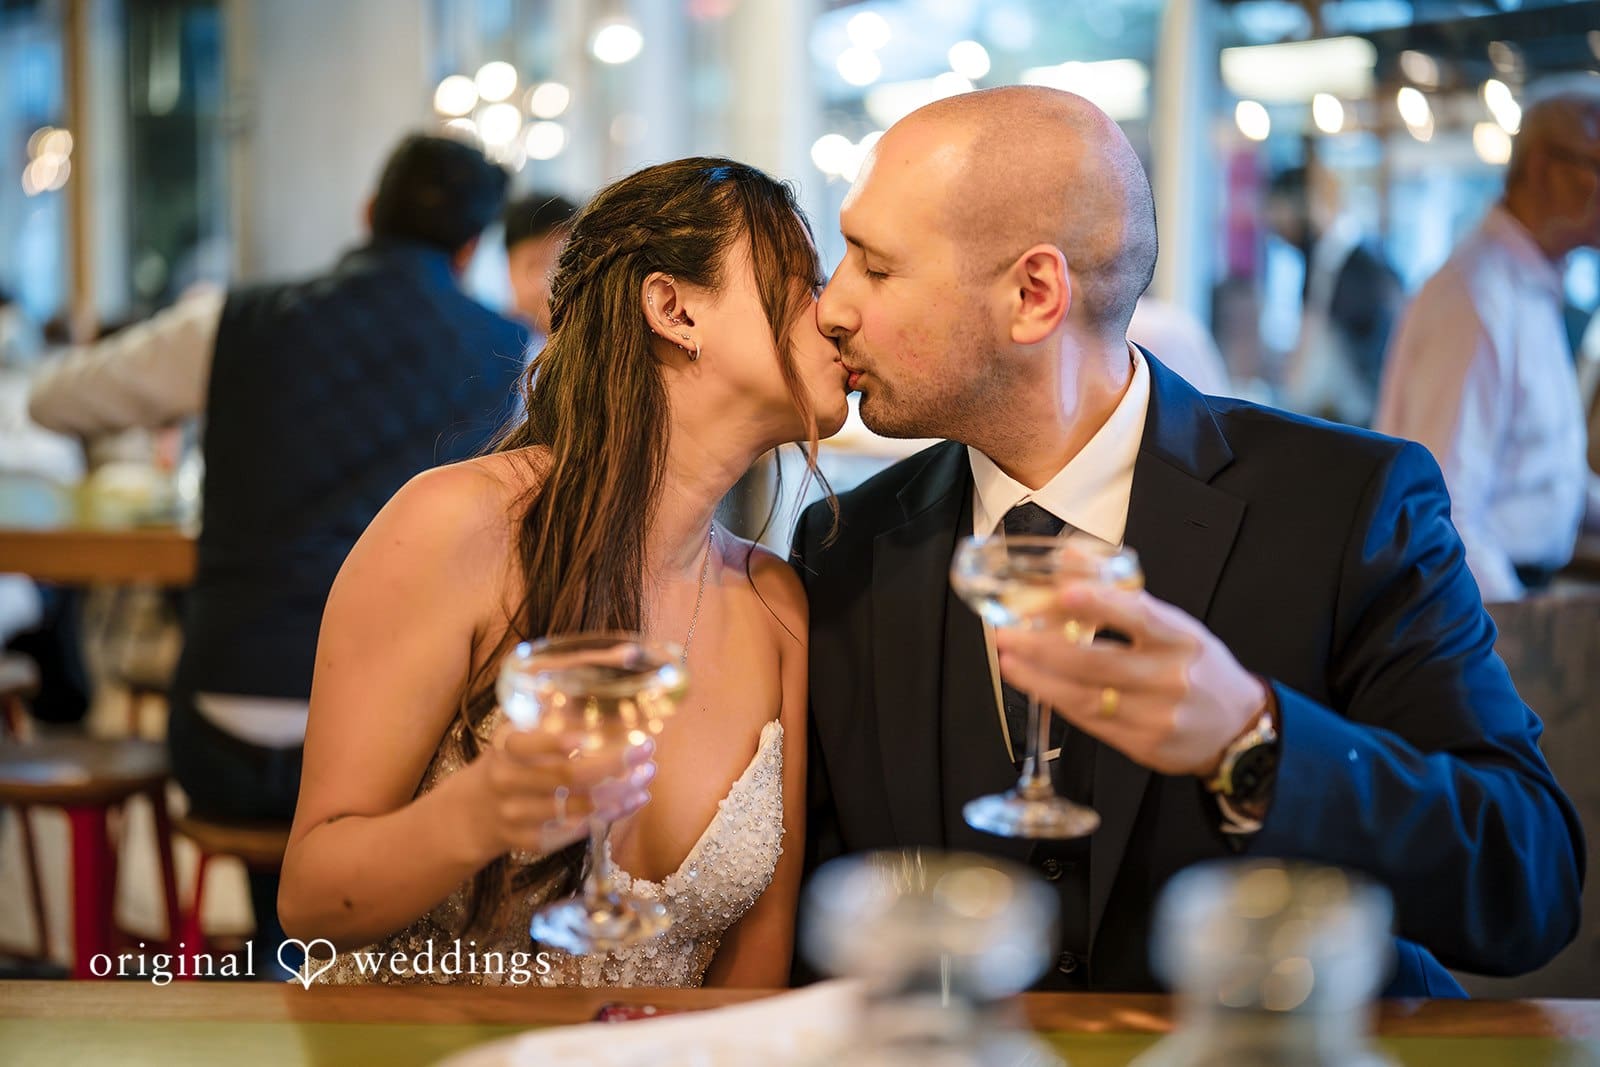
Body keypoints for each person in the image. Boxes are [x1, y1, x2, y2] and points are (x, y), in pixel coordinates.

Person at [793, 86, 1582, 997]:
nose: (831, 307)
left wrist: (1252, 743)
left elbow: (1528, 882)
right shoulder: (845, 544)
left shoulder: (1351, 506)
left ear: (1034, 293)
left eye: (874, 267)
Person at [277, 157, 850, 988]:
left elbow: (753, 969)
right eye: (804, 280)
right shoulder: (459, 525)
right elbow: (310, 897)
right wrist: (479, 811)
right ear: (673, 306)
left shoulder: (777, 605)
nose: (833, 314)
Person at [28, 133, 531, 961]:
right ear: (472, 247)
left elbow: (55, 402)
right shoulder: (511, 357)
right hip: (405, 755)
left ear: (368, 214)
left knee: (297, 891)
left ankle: (275, 958)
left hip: (226, 726)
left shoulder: (235, 320)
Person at [1376, 91, 1600, 602]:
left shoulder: (1528, 287)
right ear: (1543, 168)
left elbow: (1540, 472)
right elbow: (1444, 510)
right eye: (1597, 164)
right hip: (1485, 607)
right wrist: (1516, 638)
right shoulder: (1476, 298)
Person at [1265, 165, 1404, 427]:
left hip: (1354, 420)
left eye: (1278, 209)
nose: (1273, 221)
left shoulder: (1352, 269)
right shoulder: (1331, 262)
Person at [502, 190, 579, 341]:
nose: (547, 284)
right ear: (509, 267)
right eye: (533, 266)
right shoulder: (487, 343)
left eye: (561, 266)